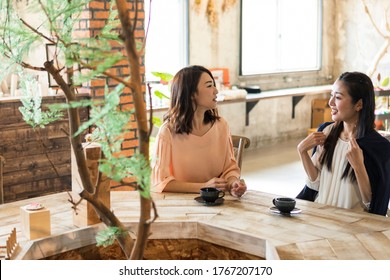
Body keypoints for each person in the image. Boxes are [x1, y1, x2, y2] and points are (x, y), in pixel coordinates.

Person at [297, 71, 390, 216]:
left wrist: (358, 166)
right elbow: (315, 185)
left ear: (359, 104)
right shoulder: (326, 132)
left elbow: (373, 205)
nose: (331, 102)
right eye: (331, 95)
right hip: (319, 220)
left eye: (338, 97)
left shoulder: (379, 147)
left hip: (351, 228)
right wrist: (302, 152)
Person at [151, 65, 247, 197]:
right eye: (209, 86)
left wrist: (233, 184)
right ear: (190, 94)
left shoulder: (221, 126)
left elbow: (229, 169)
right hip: (179, 205)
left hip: (215, 204)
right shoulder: (167, 132)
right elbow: (161, 182)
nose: (216, 91)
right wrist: (203, 187)